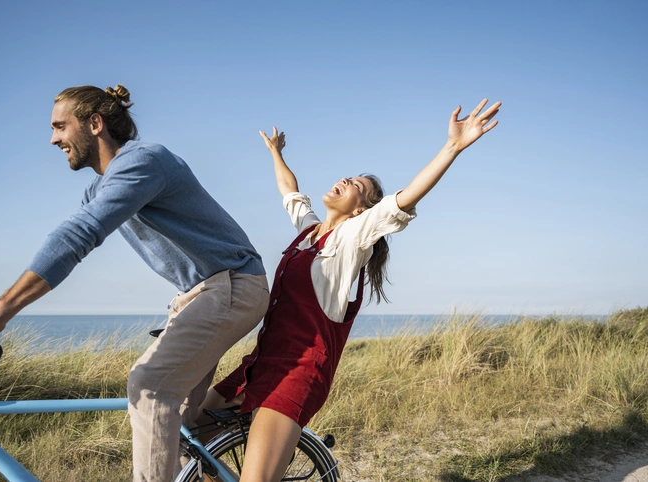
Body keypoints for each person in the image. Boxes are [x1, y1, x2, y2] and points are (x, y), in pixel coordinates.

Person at [0, 85, 270, 482]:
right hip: (201, 294)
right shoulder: (101, 186)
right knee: (176, 425)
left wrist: (0, 309)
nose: (53, 139)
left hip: (232, 286)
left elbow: (79, 234)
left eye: (60, 127)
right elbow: (72, 235)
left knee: (149, 389)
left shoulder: (144, 160)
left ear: (94, 124)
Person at [200, 98, 501, 482]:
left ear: (362, 210)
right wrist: (276, 153)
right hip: (258, 365)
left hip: (298, 373)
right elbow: (290, 192)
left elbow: (405, 198)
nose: (344, 180)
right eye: (348, 176)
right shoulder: (309, 234)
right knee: (187, 432)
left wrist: (453, 147)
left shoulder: (352, 239)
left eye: (356, 185)